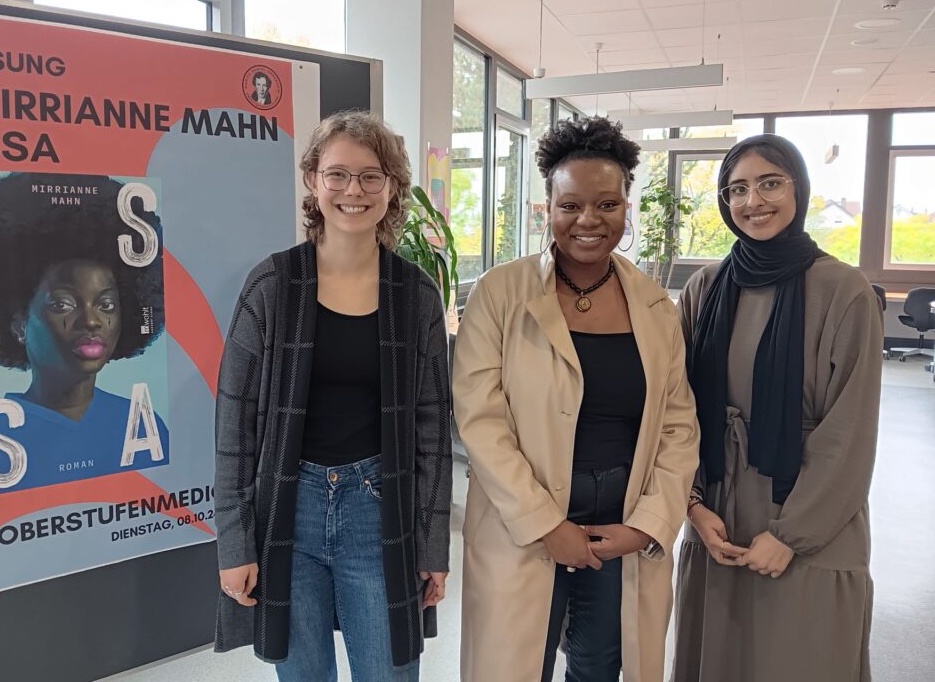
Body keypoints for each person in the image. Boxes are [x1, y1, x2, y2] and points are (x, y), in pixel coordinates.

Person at [454, 116, 700, 682]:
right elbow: (480, 419)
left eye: (607, 204)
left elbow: (678, 427)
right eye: (571, 205)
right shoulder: (501, 293)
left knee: (600, 665)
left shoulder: (655, 305)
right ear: (548, 208)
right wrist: (546, 523)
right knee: (516, 664)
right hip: (523, 523)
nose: (589, 220)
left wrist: (649, 523)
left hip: (620, 526)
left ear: (626, 207)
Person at [213, 110, 452, 682]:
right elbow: (234, 422)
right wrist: (234, 541)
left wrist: (432, 546)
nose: (353, 191)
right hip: (288, 508)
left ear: (392, 188)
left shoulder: (415, 295)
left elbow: (432, 430)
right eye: (337, 174)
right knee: (302, 675)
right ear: (313, 181)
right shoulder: (272, 286)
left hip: (379, 509)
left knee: (390, 672)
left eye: (372, 176)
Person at [671, 134, 883, 682]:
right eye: (737, 188)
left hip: (809, 515)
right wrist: (692, 505)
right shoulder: (705, 287)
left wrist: (791, 534)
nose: (752, 201)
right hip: (717, 512)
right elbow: (677, 408)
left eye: (770, 182)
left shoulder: (844, 292)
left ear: (799, 189)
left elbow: (849, 432)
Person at [0, 172, 168, 496]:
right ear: (18, 324)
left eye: (107, 304)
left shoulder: (144, 429)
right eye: (62, 304)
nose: (92, 321)